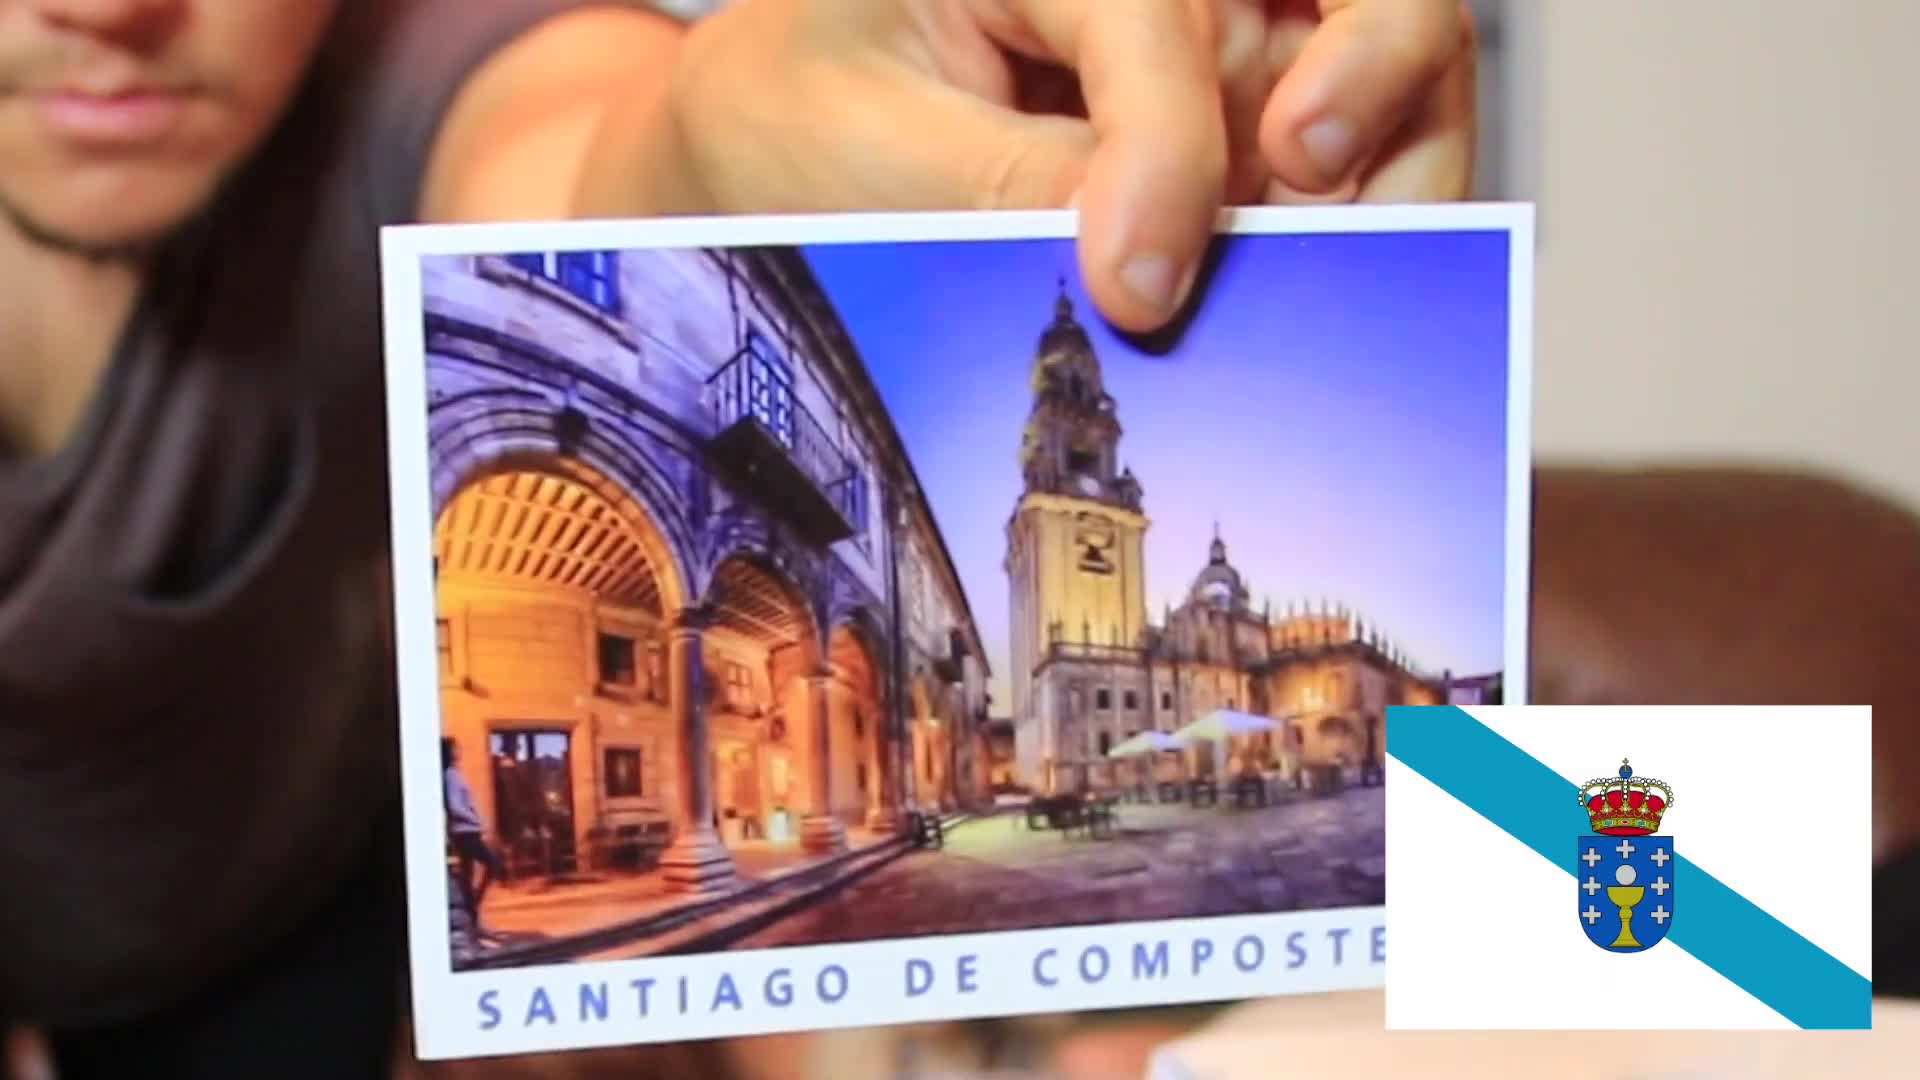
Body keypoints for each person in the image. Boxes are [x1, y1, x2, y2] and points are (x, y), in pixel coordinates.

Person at [0, 0, 1476, 1075]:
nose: (115, 7)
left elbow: (590, 144)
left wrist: (715, 136)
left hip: (290, 939)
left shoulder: (419, 65)